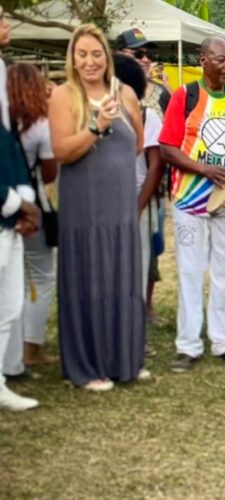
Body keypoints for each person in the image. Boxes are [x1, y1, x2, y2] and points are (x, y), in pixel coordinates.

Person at [48, 24, 147, 391]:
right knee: (89, 278)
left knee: (120, 277)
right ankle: (87, 366)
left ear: (107, 57)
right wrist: (96, 126)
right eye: (82, 54)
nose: (90, 62)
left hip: (119, 207)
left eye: (96, 53)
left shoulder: (124, 93)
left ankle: (123, 359)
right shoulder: (63, 96)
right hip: (83, 208)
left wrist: (126, 119)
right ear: (72, 59)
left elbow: (135, 144)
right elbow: (62, 151)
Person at [159, 37, 225, 373]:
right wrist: (204, 169)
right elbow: (167, 148)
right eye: (221, 60)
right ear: (203, 60)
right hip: (189, 200)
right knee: (189, 273)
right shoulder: (184, 96)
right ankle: (188, 346)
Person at [2, 63, 58, 376]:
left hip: (6, 204)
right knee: (42, 275)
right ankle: (30, 347)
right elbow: (50, 171)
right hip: (33, 205)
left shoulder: (6, 124)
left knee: (10, 282)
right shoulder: (40, 124)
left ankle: (9, 354)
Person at [0, 6, 41, 410]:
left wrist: (23, 199)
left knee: (9, 304)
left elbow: (9, 147)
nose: (6, 23)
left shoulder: (4, 69)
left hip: (11, 211)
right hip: (5, 206)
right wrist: (15, 201)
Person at [113, 54, 164, 308]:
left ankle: (135, 317)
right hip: (105, 204)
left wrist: (139, 206)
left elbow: (155, 165)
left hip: (137, 200)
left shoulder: (146, 117)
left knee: (139, 261)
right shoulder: (97, 115)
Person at [115, 28, 170, 118]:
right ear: (119, 54)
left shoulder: (161, 92)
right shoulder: (106, 90)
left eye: (148, 55)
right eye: (138, 54)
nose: (146, 60)